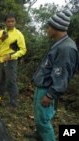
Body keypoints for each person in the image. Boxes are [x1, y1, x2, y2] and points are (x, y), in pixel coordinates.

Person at [26, 10, 78, 141]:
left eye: (49, 27)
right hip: (43, 86)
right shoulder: (59, 43)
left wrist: (50, 94)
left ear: (57, 28)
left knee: (43, 121)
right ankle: (39, 135)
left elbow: (62, 76)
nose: (47, 30)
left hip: (48, 89)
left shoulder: (66, 48)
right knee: (40, 117)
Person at [0, 14, 27, 108]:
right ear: (5, 23)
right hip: (1, 60)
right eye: (9, 21)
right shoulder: (1, 32)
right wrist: (2, 39)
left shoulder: (18, 34)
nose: (11, 23)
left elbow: (23, 50)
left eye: (12, 21)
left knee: (11, 81)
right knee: (1, 80)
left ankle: (13, 103)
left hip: (11, 61)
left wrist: (11, 56)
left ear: (15, 22)